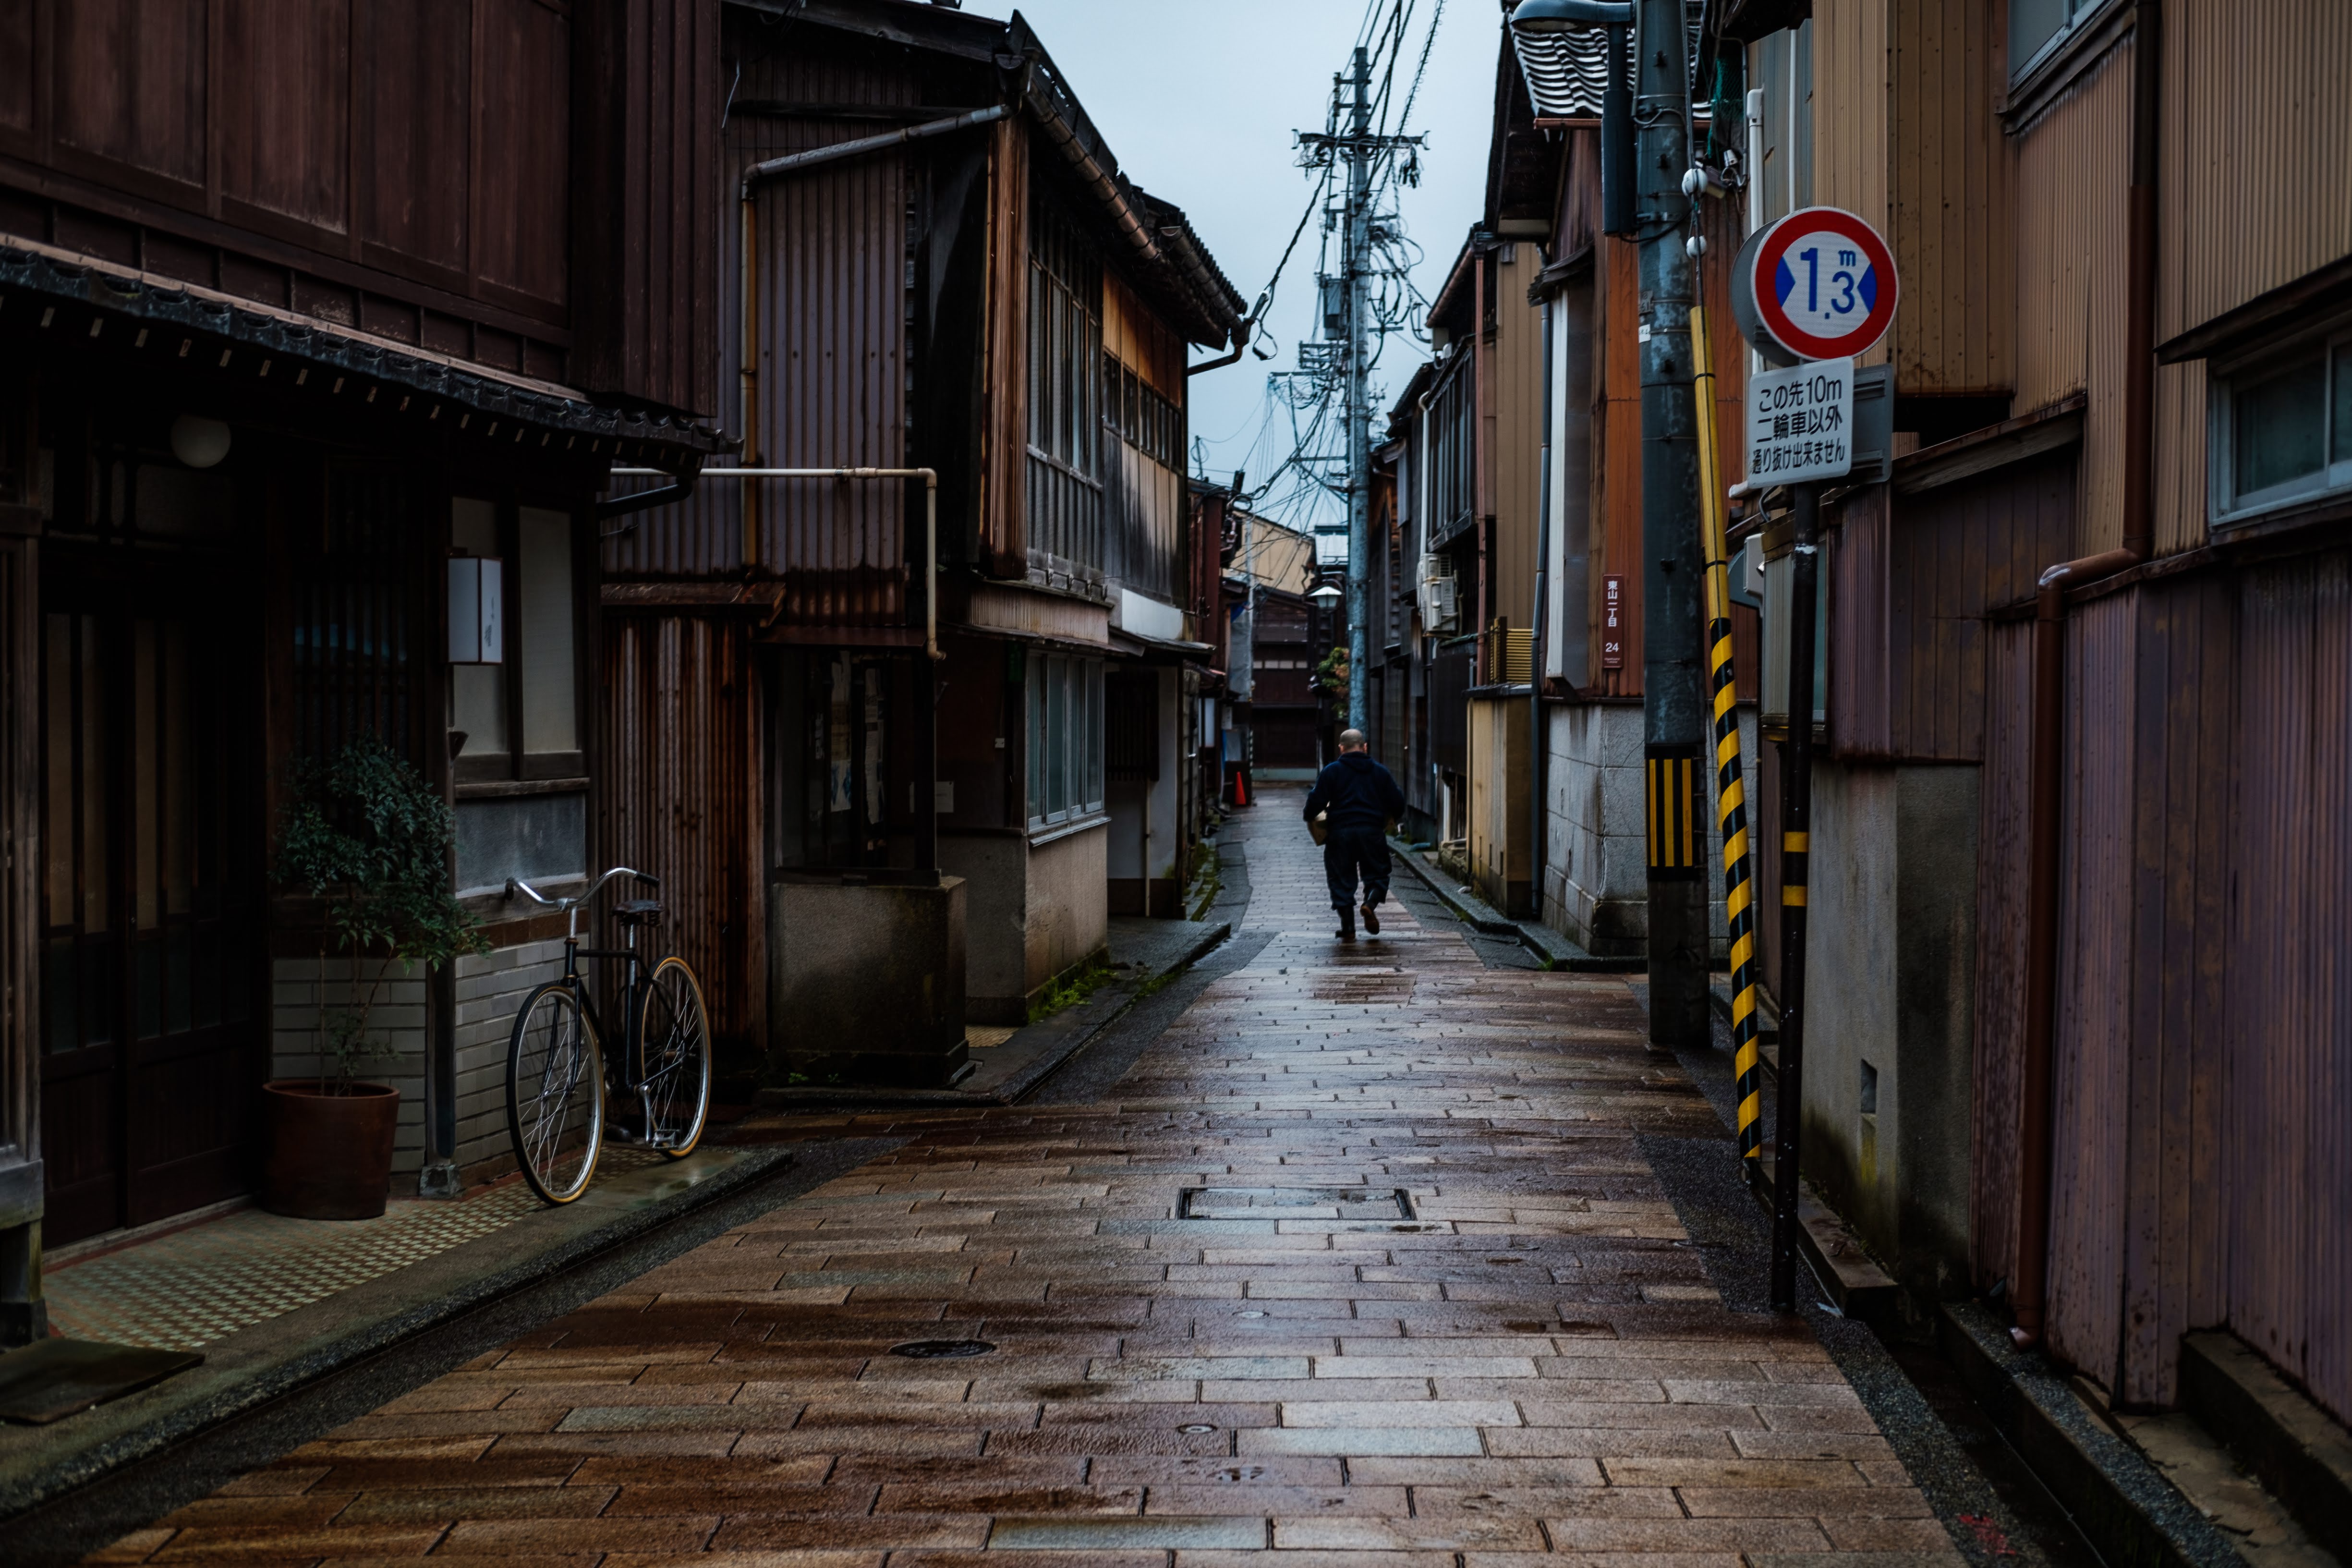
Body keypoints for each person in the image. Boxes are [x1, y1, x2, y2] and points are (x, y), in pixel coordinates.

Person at [1304, 729, 1408, 941]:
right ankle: (1369, 904)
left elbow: (1315, 802)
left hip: (1340, 833)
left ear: (1341, 748)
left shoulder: (1332, 771)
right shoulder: (1380, 772)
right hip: (1372, 831)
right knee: (1378, 874)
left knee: (1340, 879)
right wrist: (1388, 819)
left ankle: (1348, 928)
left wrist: (1310, 816)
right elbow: (1398, 803)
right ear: (1365, 747)